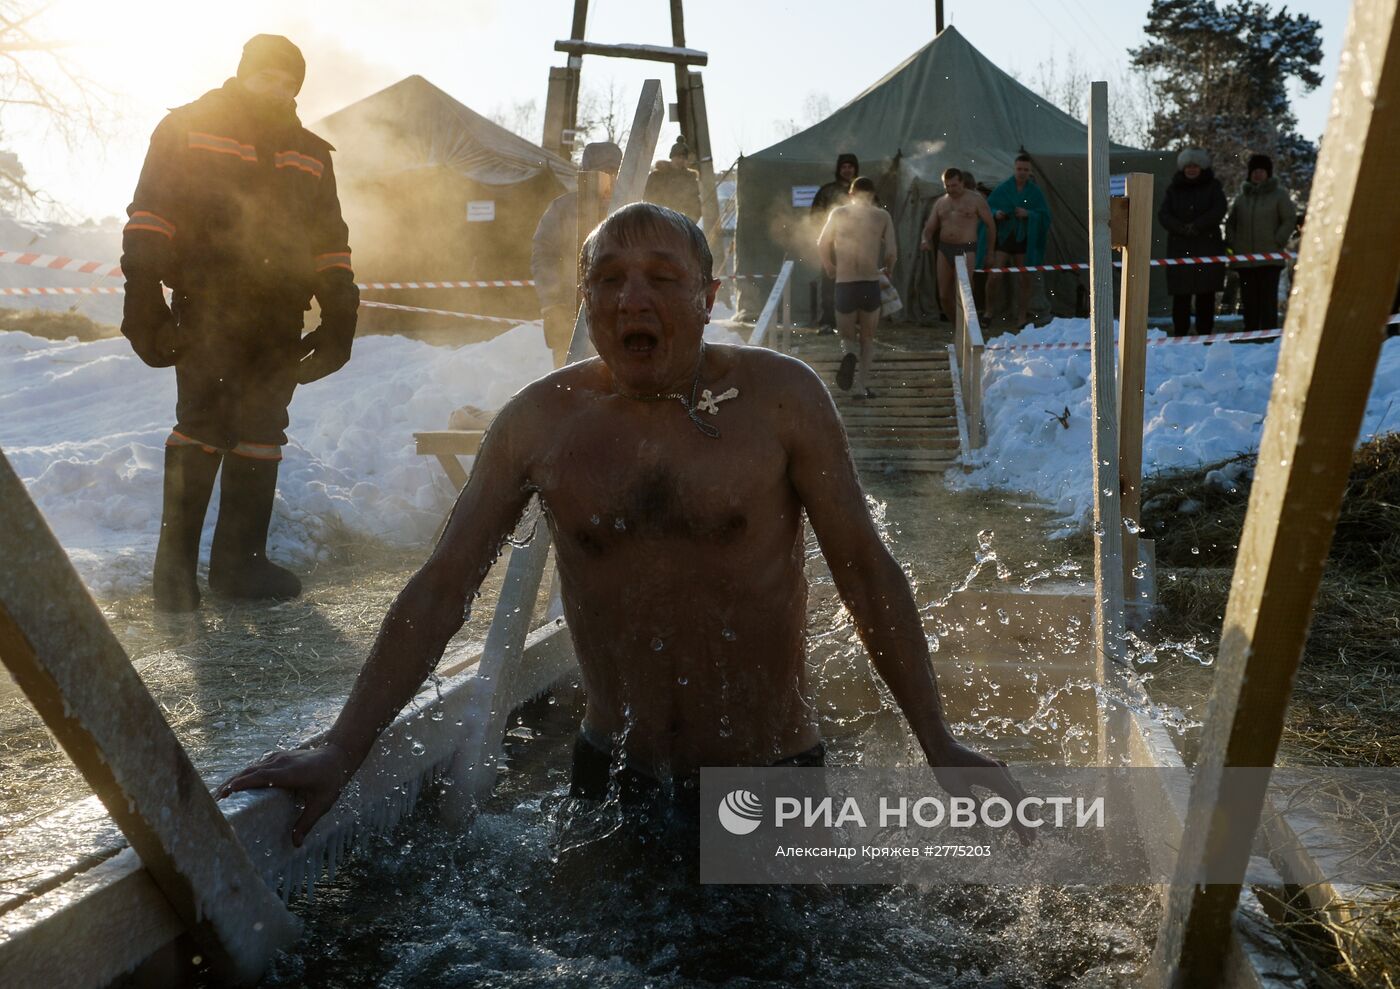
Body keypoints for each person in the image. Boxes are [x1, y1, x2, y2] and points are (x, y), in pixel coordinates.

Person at [220, 203, 1022, 842]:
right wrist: (342, 745)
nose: (632, 297)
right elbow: (442, 586)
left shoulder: (781, 401)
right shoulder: (540, 423)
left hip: (769, 775)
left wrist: (937, 742)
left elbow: (864, 570)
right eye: (608, 278)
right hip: (613, 779)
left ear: (708, 300)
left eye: (661, 278)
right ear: (585, 301)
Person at [121, 35, 359, 613]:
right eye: (267, 76)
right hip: (208, 307)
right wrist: (143, 296)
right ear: (243, 73)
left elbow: (330, 240)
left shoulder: (310, 150)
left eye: (288, 82)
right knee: (202, 423)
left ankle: (239, 566)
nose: (277, 88)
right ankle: (173, 573)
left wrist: (340, 315)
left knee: (261, 428)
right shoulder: (189, 126)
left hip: (280, 315)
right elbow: (151, 214)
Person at [531, 141, 624, 367]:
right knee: (571, 386)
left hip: (622, 316)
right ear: (586, 175)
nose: (609, 181)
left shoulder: (632, 210)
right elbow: (544, 256)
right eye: (603, 173)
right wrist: (552, 304)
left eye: (615, 173)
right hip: (569, 313)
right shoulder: (563, 210)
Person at [817, 176, 896, 399]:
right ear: (872, 196)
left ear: (851, 194)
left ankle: (849, 355)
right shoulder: (882, 216)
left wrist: (830, 267)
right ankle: (861, 387)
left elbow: (821, 243)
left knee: (847, 336)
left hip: (845, 283)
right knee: (868, 338)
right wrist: (888, 270)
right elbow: (891, 251)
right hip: (869, 283)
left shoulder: (838, 214)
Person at [1157, 149, 1227, 337]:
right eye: (1188, 166)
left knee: (1206, 295)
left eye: (1195, 166)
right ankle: (1181, 332)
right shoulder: (1174, 189)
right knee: (1181, 297)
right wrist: (1181, 228)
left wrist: (1198, 225)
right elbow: (1164, 215)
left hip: (1207, 246)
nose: (1191, 170)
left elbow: (1219, 209)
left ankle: (1205, 332)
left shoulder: (1213, 187)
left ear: (1201, 167)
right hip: (1180, 249)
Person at [1224, 154, 1296, 335]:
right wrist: (1233, 243)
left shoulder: (1279, 195)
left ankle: (1269, 333)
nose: (1258, 175)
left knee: (1267, 298)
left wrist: (1278, 240)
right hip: (1245, 259)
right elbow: (1231, 223)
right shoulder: (1241, 199)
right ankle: (1250, 332)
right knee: (1249, 299)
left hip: (1270, 258)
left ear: (1268, 173)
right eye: (1255, 171)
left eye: (1261, 171)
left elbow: (1289, 219)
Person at [919, 167, 995, 323]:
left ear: (962, 183)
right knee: (944, 296)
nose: (951, 189)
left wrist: (990, 251)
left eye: (954, 185)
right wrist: (925, 240)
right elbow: (929, 228)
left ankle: (968, 324)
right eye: (947, 186)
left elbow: (991, 225)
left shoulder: (975, 199)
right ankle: (958, 326)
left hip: (966, 248)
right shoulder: (941, 202)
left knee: (963, 292)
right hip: (945, 249)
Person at [984, 154, 1051, 329]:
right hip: (1005, 237)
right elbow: (988, 207)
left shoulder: (1035, 192)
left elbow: (1045, 215)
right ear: (1014, 169)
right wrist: (996, 213)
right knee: (994, 275)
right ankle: (988, 312)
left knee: (1025, 278)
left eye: (1025, 170)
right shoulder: (1004, 188)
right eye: (1019, 169)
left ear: (1030, 171)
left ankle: (1021, 317)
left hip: (1024, 239)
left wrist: (1029, 214)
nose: (1022, 173)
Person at [810, 153, 859, 328]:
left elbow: (873, 213)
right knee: (829, 283)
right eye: (844, 167)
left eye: (850, 166)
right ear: (839, 169)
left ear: (855, 168)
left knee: (857, 283)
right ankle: (827, 322)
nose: (847, 170)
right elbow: (815, 215)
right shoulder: (827, 190)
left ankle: (855, 321)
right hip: (831, 244)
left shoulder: (861, 191)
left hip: (857, 246)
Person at [643, 138, 702, 222]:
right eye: (678, 157)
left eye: (684, 158)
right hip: (656, 220)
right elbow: (646, 198)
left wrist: (689, 222)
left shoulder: (690, 181)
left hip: (680, 224)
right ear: (672, 157)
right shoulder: (657, 176)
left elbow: (695, 206)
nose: (681, 160)